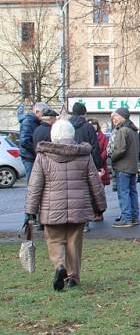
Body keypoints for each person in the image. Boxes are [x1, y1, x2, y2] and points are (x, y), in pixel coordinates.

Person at [24, 119, 107, 290]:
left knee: (54, 241)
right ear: (72, 135)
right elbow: (95, 182)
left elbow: (35, 186)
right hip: (79, 209)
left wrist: (30, 211)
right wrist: (100, 205)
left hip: (52, 209)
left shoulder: (43, 155)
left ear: (53, 135)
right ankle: (73, 277)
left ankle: (59, 266)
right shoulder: (84, 154)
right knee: (74, 242)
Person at [110, 108, 140, 228]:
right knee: (132, 192)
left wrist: (111, 157)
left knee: (124, 193)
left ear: (122, 117)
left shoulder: (123, 131)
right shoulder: (133, 130)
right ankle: (134, 217)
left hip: (123, 166)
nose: (114, 119)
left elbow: (120, 150)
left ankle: (127, 218)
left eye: (116, 116)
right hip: (132, 166)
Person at [18, 101, 49, 177]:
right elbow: (24, 141)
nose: (44, 116)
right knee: (32, 180)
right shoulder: (28, 122)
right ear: (37, 111)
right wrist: (37, 150)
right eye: (43, 113)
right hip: (29, 157)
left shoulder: (35, 121)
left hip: (33, 155)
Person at [69, 102, 101, 170]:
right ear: (84, 113)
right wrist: (98, 165)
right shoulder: (88, 127)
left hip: (68, 162)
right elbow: (95, 147)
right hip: (86, 163)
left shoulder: (65, 126)